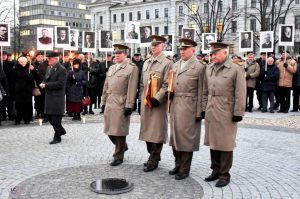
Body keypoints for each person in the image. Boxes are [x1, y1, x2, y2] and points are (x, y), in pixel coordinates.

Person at [202, 42, 246, 187]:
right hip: (211, 110)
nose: (212, 56)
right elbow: (204, 91)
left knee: (225, 144)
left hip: (226, 111)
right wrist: (203, 108)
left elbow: (240, 92)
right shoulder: (209, 68)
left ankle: (224, 174)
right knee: (213, 142)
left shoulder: (235, 69)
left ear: (224, 53)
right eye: (211, 53)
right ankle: (215, 170)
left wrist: (238, 112)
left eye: (215, 53)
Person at [168, 38, 205, 180]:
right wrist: (169, 92)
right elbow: (172, 83)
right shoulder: (176, 65)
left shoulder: (199, 67)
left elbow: (202, 90)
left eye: (185, 49)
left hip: (190, 107)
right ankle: (177, 164)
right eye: (181, 49)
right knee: (175, 137)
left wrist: (199, 111)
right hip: (176, 105)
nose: (182, 51)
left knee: (187, 139)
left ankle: (185, 168)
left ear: (193, 50)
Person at [139, 35, 173, 172]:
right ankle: (153, 155)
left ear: (163, 46)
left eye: (156, 45)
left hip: (158, 103)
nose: (153, 47)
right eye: (152, 45)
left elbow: (167, 84)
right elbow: (142, 84)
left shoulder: (167, 62)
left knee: (157, 132)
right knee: (147, 132)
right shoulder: (147, 62)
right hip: (146, 102)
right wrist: (141, 99)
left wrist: (157, 98)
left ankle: (154, 159)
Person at [101, 44, 139, 166]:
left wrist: (129, 105)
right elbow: (106, 86)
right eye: (115, 53)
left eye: (119, 53)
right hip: (110, 102)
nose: (116, 55)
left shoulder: (131, 68)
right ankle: (123, 147)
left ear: (125, 54)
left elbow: (132, 88)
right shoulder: (112, 68)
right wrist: (103, 101)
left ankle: (118, 156)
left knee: (119, 131)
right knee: (109, 130)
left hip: (121, 102)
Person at [39, 52, 67, 144]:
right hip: (49, 97)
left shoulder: (62, 69)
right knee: (50, 118)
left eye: (50, 59)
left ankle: (57, 137)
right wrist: (43, 83)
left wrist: (46, 85)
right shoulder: (49, 68)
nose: (48, 60)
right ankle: (61, 130)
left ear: (56, 59)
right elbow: (46, 79)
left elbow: (60, 84)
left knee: (56, 119)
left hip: (57, 98)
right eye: (47, 59)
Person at [12, 56, 35, 125]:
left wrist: (32, 73)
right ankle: (18, 119)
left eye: (24, 62)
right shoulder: (15, 68)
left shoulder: (29, 68)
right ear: (18, 62)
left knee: (26, 105)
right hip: (18, 90)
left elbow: (34, 78)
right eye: (21, 62)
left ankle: (26, 119)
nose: (23, 63)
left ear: (26, 62)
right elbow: (13, 79)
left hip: (27, 90)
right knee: (18, 105)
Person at [32, 51, 48, 120]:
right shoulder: (33, 64)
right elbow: (34, 75)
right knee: (38, 99)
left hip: (45, 83)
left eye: (42, 56)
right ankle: (38, 112)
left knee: (44, 99)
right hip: (37, 84)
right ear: (36, 57)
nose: (40, 58)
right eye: (39, 57)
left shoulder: (45, 64)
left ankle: (43, 112)